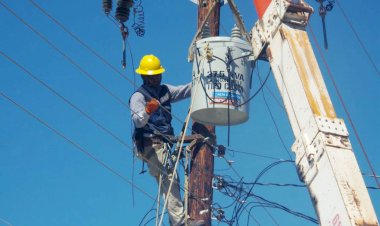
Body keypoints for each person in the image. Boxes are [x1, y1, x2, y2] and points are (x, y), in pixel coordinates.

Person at [130, 54, 204, 226]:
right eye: (153, 76)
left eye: (158, 75)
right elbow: (138, 121)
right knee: (169, 179)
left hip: (163, 143)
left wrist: (202, 81)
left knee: (171, 179)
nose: (156, 78)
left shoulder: (165, 91)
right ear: (145, 77)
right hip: (150, 145)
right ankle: (180, 222)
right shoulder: (138, 97)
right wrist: (148, 110)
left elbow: (184, 90)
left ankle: (176, 220)